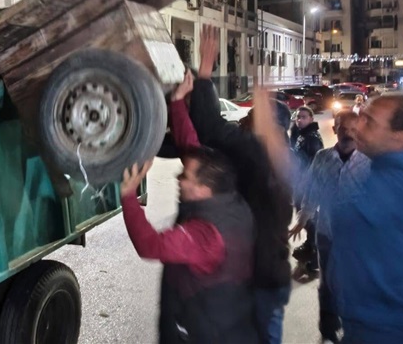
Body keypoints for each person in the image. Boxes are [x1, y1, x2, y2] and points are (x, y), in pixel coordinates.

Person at [187, 25, 294, 344]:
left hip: (250, 276)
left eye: (253, 116)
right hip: (272, 275)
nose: (246, 119)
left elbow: (209, 127)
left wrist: (205, 72)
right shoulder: (283, 159)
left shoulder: (255, 152)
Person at [328, 93, 403, 344]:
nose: (357, 126)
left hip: (390, 332)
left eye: (369, 122)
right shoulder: (383, 172)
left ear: (400, 136)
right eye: (361, 116)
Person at [121, 153, 257, 344]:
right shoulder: (236, 207)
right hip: (232, 319)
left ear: (203, 189)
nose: (178, 179)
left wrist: (128, 195)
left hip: (202, 331)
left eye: (185, 176)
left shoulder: (204, 234)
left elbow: (149, 245)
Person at [289, 111, 371, 344]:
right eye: (343, 128)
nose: (348, 133)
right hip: (327, 234)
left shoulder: (369, 161)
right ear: (334, 130)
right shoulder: (323, 157)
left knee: (356, 284)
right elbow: (312, 191)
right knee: (328, 286)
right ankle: (328, 331)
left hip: (358, 238)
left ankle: (355, 329)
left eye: (353, 129)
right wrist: (302, 220)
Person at [289, 105, 324, 274]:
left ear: (311, 118)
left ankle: (315, 247)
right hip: (299, 182)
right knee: (302, 213)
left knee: (307, 215)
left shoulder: (312, 138)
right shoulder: (301, 134)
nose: (300, 120)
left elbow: (314, 164)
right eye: (298, 116)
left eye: (304, 117)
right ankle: (312, 244)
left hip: (306, 184)